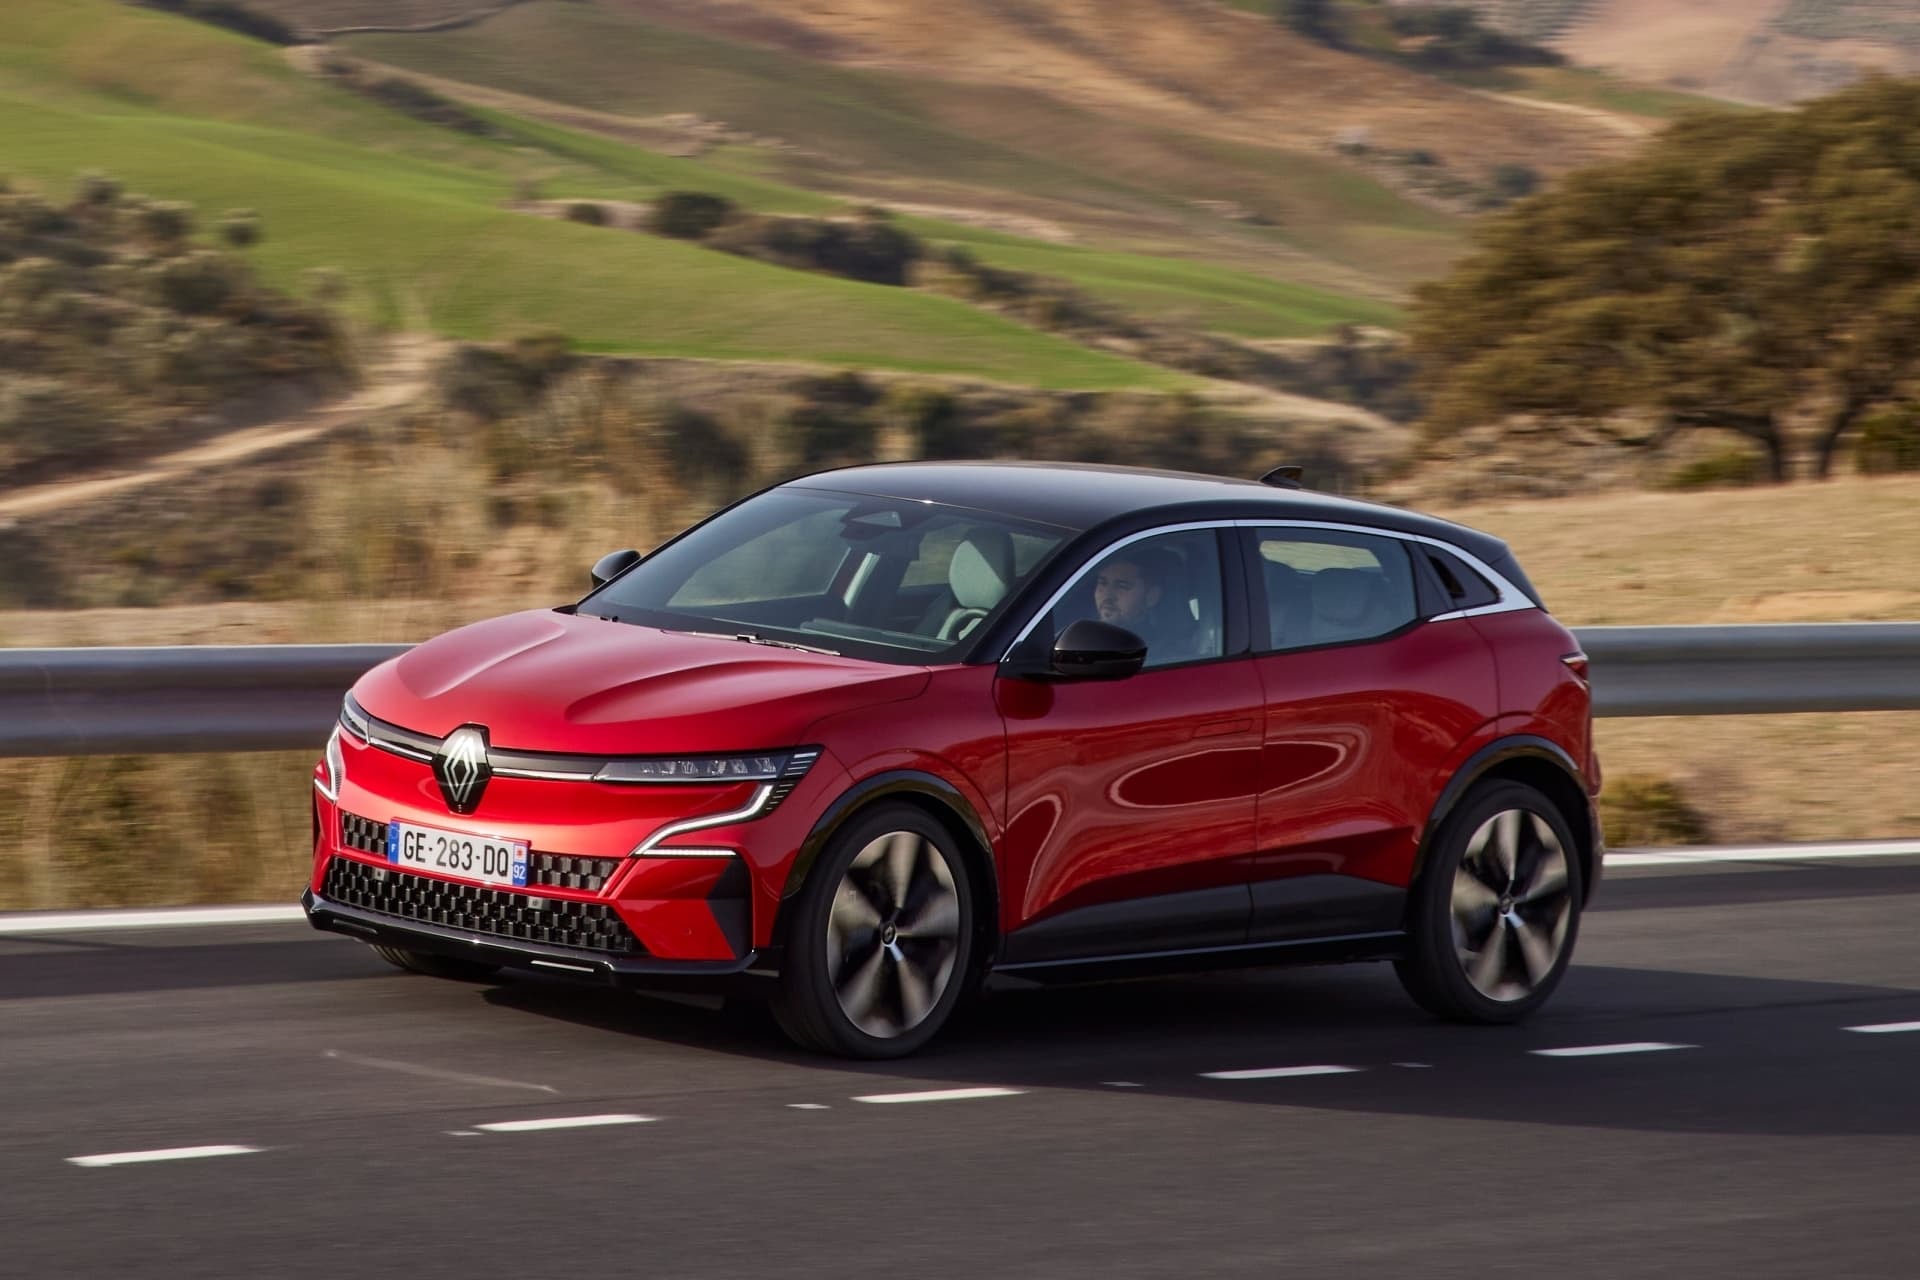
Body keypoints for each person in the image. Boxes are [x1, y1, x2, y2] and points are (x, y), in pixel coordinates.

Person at [1089, 545, 1202, 664]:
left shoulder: (1163, 656)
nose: (1108, 595)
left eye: (1122, 586)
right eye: (1102, 583)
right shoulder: (1084, 638)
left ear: (1151, 596)